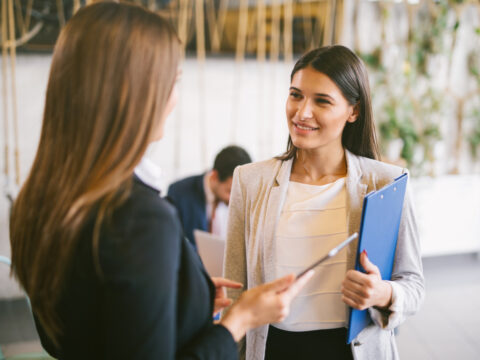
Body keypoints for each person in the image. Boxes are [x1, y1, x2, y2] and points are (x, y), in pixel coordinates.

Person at [8, 3, 313, 359]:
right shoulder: (140, 219)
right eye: (174, 82)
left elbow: (95, 321)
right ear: (134, 93)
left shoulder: (41, 197)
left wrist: (186, 299)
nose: (174, 98)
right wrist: (241, 320)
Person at [224, 45, 425, 360]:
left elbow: (413, 284)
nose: (302, 112)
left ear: (353, 111)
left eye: (322, 101)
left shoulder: (387, 182)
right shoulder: (250, 181)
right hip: (272, 349)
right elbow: (235, 291)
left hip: (349, 352)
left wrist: (383, 292)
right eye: (295, 95)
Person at [167, 145, 251, 246]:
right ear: (214, 176)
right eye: (229, 191)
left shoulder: (243, 200)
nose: (234, 200)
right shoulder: (179, 193)